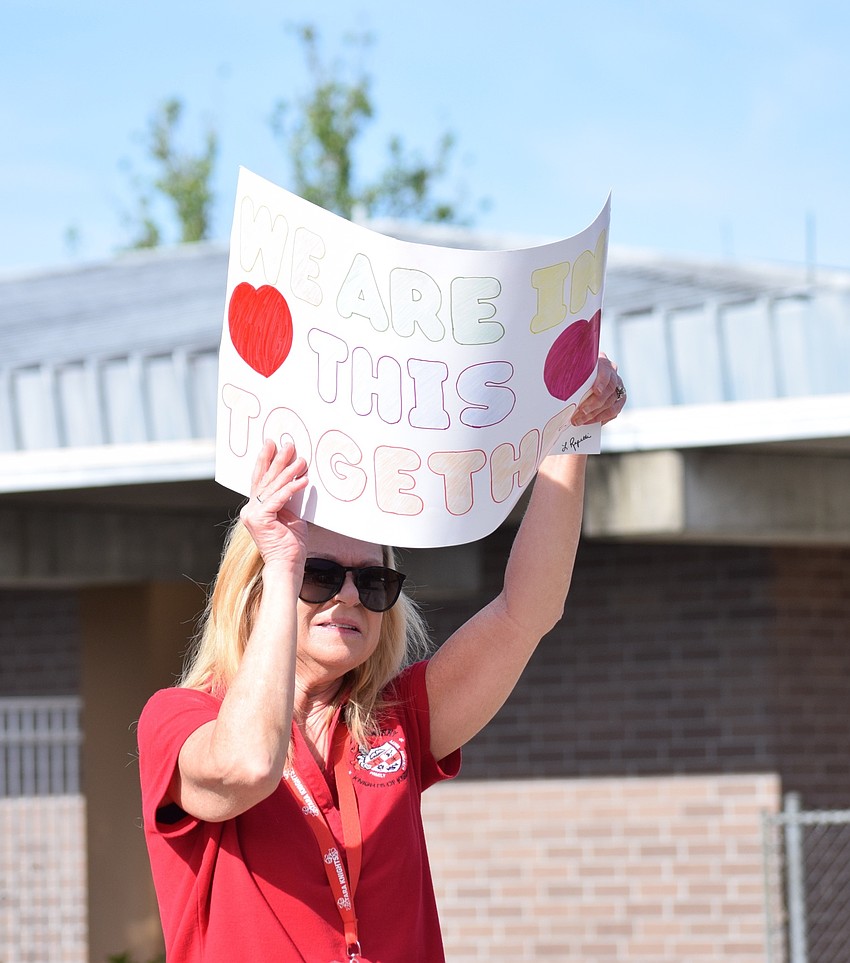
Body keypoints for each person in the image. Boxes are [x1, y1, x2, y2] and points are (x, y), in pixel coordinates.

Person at [137, 356, 626, 963]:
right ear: (256, 589)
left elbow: (528, 610)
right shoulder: (180, 718)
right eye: (317, 575)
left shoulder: (398, 719)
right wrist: (284, 560)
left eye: (373, 584)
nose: (348, 595)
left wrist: (571, 435)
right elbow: (248, 766)